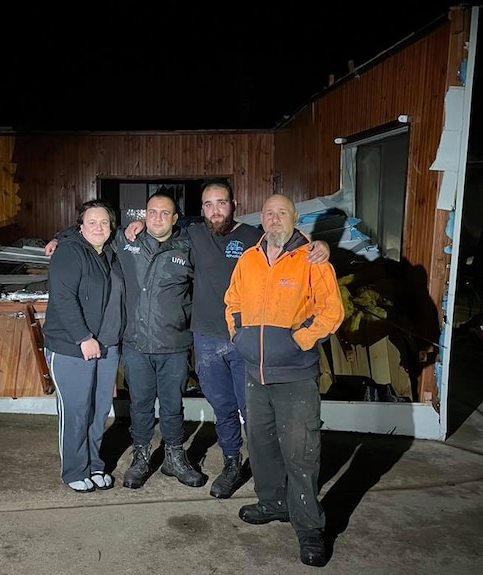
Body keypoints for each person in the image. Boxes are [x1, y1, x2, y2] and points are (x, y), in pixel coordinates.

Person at [123, 180, 330, 499]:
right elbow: (159, 231)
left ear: (234, 204)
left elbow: (289, 244)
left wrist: (320, 246)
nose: (215, 210)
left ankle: (269, 476)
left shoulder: (252, 237)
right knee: (223, 407)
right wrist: (138, 223)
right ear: (200, 210)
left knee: (254, 411)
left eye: (221, 203)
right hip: (205, 339)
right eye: (208, 204)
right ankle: (232, 464)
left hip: (245, 340)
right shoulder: (191, 235)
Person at [46, 192, 205, 490]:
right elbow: (66, 291)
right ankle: (131, 459)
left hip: (167, 342)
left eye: (164, 213)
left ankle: (169, 457)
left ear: (175, 218)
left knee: (152, 406)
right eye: (151, 212)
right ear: (143, 215)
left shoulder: (186, 245)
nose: (156, 218)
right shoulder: (120, 243)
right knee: (127, 407)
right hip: (128, 343)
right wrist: (58, 238)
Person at [224, 193, 344, 568]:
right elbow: (233, 302)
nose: (274, 219)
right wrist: (239, 336)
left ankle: (309, 526)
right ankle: (272, 502)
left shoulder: (311, 258)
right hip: (254, 372)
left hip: (294, 375)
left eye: (282, 213)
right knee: (261, 443)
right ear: (262, 219)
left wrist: (298, 341)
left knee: (301, 450)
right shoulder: (248, 259)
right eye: (269, 213)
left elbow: (331, 311)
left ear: (294, 218)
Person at [42, 200, 125, 493]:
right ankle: (74, 470)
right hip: (72, 346)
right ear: (80, 227)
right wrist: (82, 337)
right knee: (76, 410)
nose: (99, 227)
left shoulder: (110, 251)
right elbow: (64, 298)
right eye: (92, 222)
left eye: (104, 222)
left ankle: (94, 463)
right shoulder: (69, 251)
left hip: (106, 344)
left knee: (99, 410)